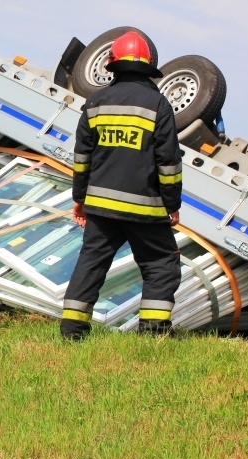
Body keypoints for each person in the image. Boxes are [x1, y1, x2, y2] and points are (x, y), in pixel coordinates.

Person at [60, 31, 182, 341]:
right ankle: (152, 337)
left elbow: (82, 157)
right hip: (146, 209)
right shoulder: (158, 105)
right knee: (160, 264)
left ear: (113, 64)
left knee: (91, 263)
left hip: (100, 207)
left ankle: (72, 333)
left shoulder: (96, 101)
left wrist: (80, 197)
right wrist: (172, 205)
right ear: (148, 67)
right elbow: (168, 163)